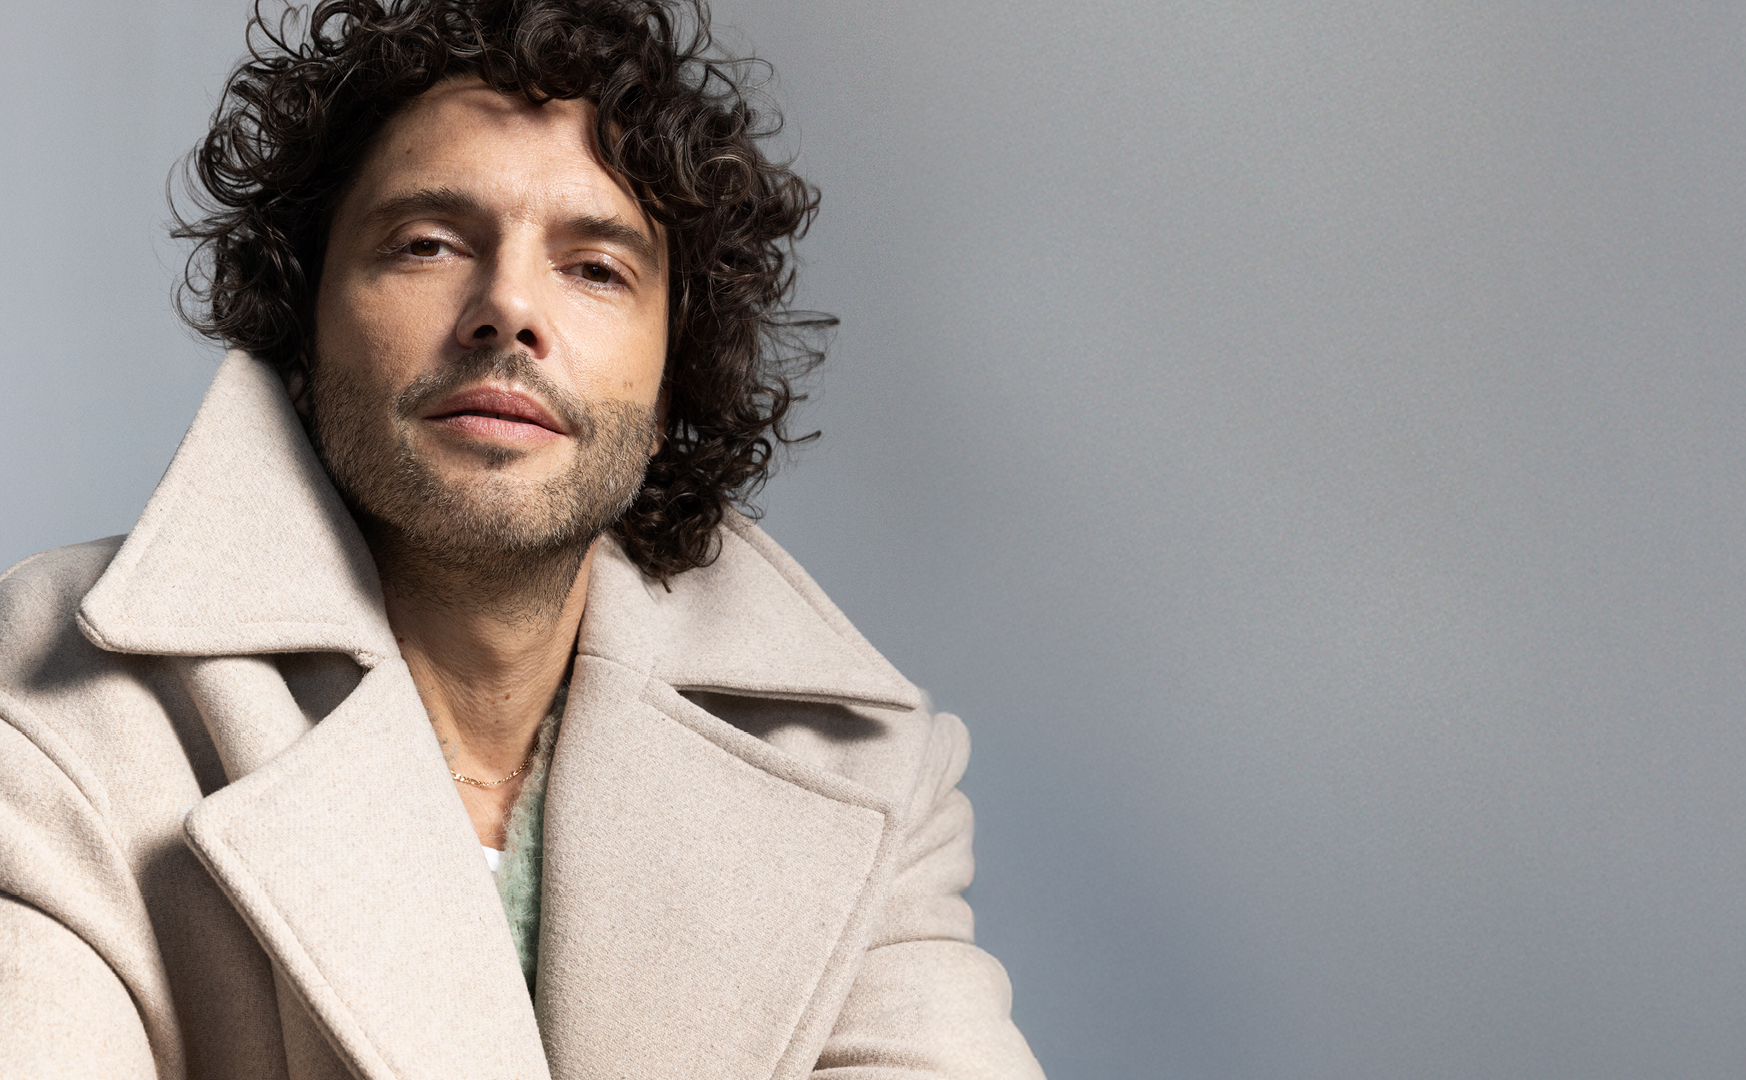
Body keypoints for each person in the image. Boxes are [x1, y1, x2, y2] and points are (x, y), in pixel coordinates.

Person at [0, 1, 1044, 1077]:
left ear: (672, 380)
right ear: (301, 333)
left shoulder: (869, 770)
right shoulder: (46, 709)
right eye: (428, 244)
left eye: (595, 269)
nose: (508, 308)